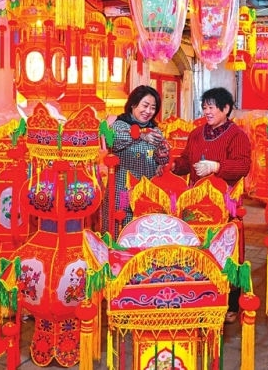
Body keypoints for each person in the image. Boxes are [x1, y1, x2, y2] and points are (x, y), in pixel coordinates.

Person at [165, 87, 251, 324]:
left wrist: (217, 167)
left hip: (223, 203)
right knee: (198, 250)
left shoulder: (237, 135)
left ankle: (230, 302)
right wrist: (174, 166)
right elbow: (186, 161)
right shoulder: (196, 134)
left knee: (226, 251)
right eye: (204, 107)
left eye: (212, 107)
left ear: (226, 108)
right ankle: (198, 295)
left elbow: (243, 166)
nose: (207, 111)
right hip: (195, 204)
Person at [103, 85, 170, 236]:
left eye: (153, 108)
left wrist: (162, 154)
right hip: (122, 191)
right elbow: (112, 141)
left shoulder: (155, 130)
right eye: (145, 105)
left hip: (146, 194)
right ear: (133, 104)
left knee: (145, 233)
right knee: (122, 233)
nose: (148, 111)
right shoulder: (120, 125)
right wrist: (140, 135)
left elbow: (163, 160)